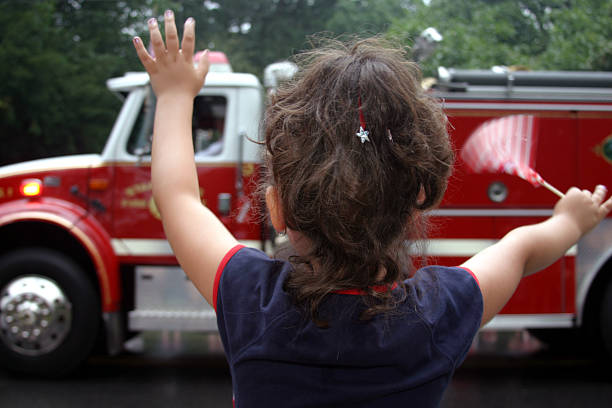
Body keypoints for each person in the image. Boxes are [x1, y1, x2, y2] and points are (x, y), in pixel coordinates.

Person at [132, 11, 612, 407]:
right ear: (413, 209)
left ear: (276, 210)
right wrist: (570, 221)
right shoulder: (438, 314)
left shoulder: (247, 297)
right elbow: (521, 250)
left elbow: (177, 200)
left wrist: (174, 97)